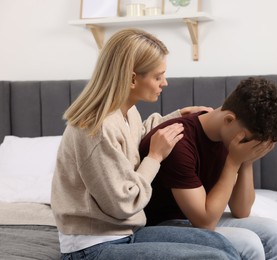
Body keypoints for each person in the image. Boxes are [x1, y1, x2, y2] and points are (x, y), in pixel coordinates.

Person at [51, 28, 241, 260]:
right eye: (158, 76)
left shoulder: (126, 112)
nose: (165, 83)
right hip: (92, 246)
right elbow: (123, 204)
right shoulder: (96, 127)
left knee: (219, 244)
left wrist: (178, 116)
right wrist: (154, 158)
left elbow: (136, 135)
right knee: (214, 258)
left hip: (127, 232)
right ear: (132, 79)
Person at [139, 76, 277, 260]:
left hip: (194, 220)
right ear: (229, 120)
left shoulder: (229, 137)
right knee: (248, 242)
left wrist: (247, 160)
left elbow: (241, 211)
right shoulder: (179, 142)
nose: (247, 147)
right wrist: (233, 162)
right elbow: (205, 222)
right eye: (247, 141)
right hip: (162, 225)